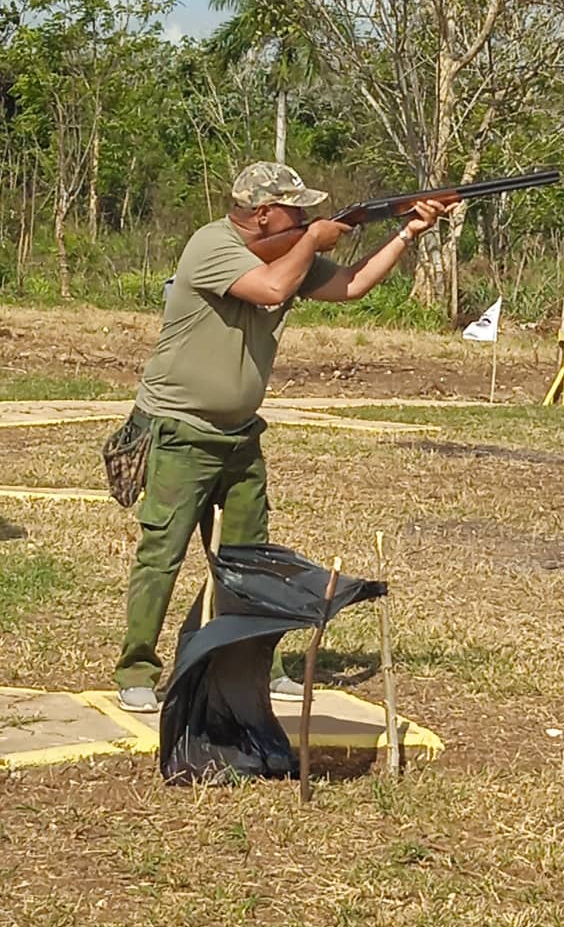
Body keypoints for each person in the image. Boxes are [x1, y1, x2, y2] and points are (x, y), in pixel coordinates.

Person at [115, 161, 452, 712]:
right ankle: (136, 671)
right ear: (265, 213)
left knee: (251, 561)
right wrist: (315, 239)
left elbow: (352, 285)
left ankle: (258, 666)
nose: (307, 217)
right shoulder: (211, 246)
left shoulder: (291, 253)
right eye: (296, 210)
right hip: (180, 431)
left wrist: (406, 233)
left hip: (240, 437)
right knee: (163, 553)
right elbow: (271, 290)